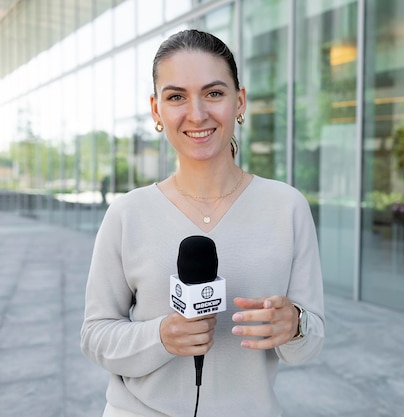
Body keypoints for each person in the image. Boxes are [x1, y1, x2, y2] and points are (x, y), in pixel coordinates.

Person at [80, 29, 324, 417]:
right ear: (157, 111)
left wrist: (294, 324)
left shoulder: (287, 207)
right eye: (176, 97)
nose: (197, 114)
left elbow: (309, 343)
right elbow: (95, 336)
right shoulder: (127, 213)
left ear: (239, 101)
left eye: (214, 93)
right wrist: (160, 336)